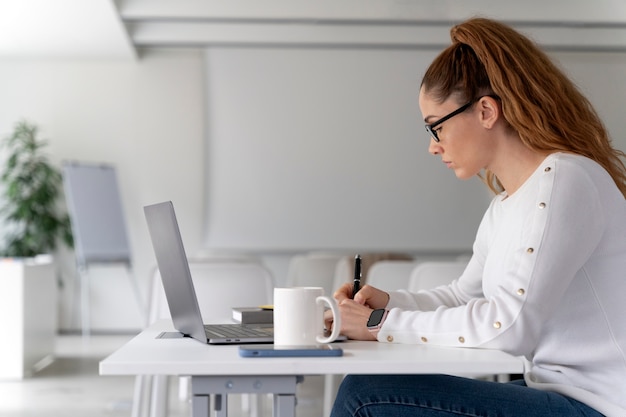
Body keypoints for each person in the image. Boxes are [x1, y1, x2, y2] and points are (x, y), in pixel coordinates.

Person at [327, 17, 626, 417]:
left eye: (436, 128)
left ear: (486, 111)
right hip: (554, 391)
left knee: (365, 396)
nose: (434, 147)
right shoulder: (507, 204)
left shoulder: (566, 180)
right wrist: (386, 303)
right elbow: (463, 296)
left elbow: (509, 327)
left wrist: (380, 323)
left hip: (600, 405)